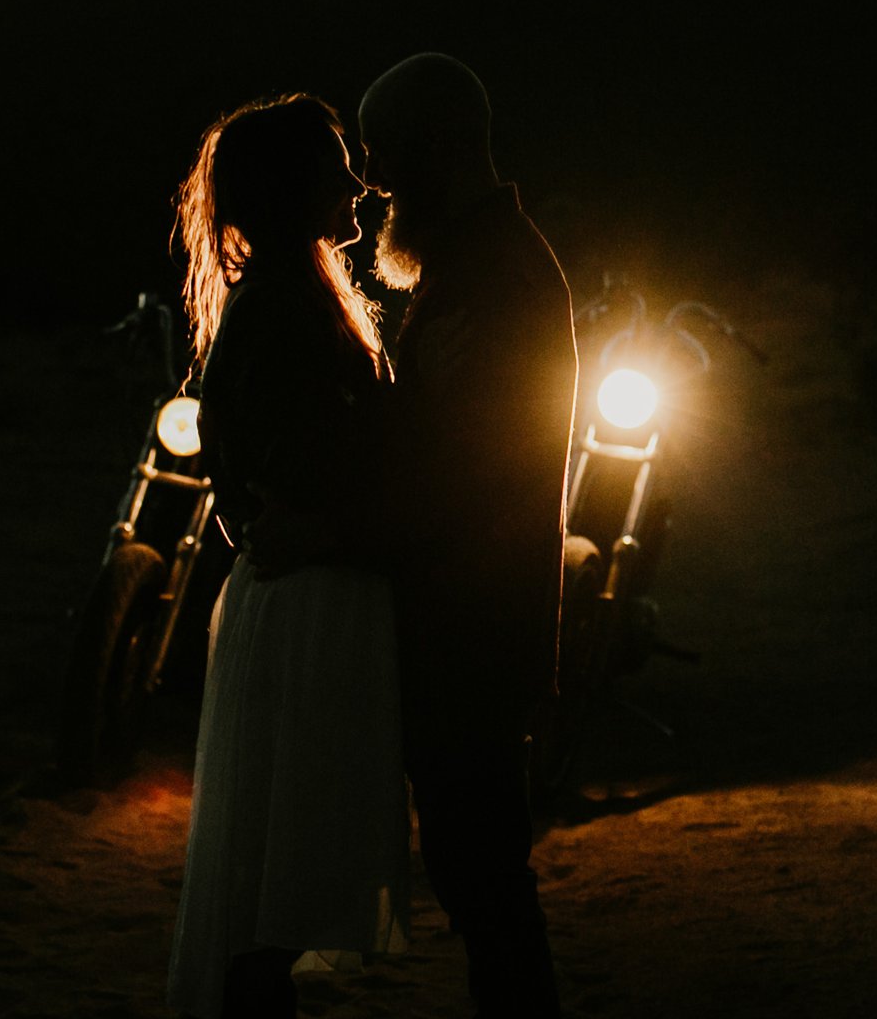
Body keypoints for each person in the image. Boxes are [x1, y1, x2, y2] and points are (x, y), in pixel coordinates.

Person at [165, 94, 410, 1019]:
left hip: (311, 605)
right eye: (339, 163)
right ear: (293, 186)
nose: (359, 181)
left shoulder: (291, 300)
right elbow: (285, 483)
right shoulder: (278, 312)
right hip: (307, 614)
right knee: (281, 878)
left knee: (285, 873)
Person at [362, 52, 577, 1018]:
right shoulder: (476, 261)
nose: (371, 184)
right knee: (477, 876)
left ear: (440, 149)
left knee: (485, 881)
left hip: (474, 628)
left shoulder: (496, 274)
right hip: (470, 623)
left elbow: (471, 458)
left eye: (385, 156)